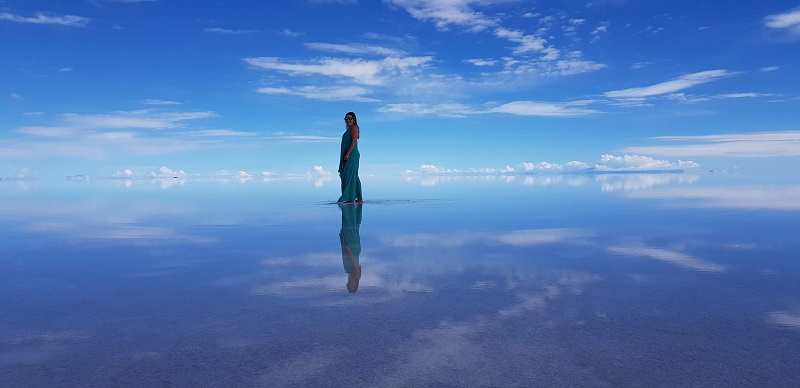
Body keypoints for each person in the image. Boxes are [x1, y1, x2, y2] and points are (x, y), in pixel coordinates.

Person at [337, 112, 363, 204]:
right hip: (349, 155)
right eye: (346, 119)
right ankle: (359, 198)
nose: (348, 120)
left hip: (352, 155)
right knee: (354, 176)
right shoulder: (349, 130)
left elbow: (354, 142)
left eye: (350, 119)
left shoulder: (354, 128)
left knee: (350, 175)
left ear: (354, 119)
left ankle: (351, 198)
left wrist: (347, 154)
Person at [339, 203, 362, 293]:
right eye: (351, 286)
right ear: (355, 284)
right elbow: (356, 265)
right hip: (352, 249)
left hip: (351, 249)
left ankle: (351, 208)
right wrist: (349, 252)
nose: (348, 284)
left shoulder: (351, 274)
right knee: (350, 227)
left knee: (351, 227)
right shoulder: (356, 276)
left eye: (348, 286)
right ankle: (350, 207)